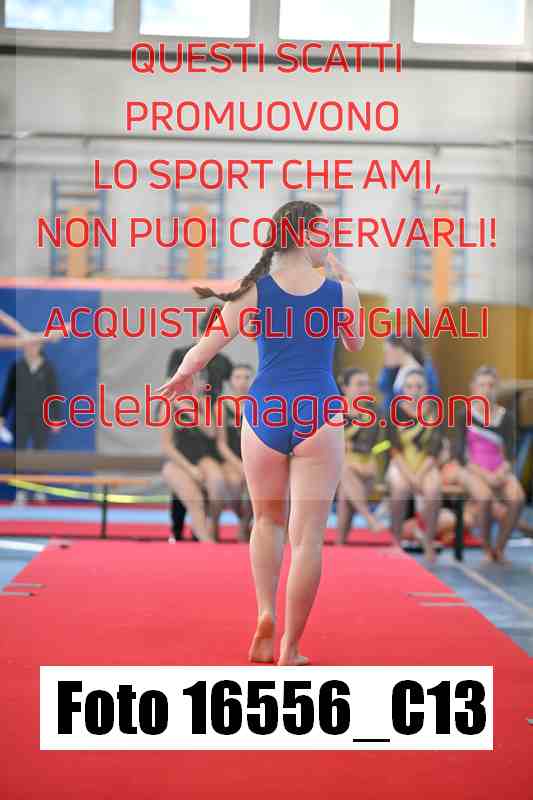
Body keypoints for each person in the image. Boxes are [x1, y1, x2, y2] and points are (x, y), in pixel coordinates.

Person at [158, 200, 364, 666]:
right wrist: (347, 283)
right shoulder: (340, 293)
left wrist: (182, 377)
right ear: (307, 235)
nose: (330, 241)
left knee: (267, 521)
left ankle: (266, 613)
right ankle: (291, 646)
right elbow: (355, 342)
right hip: (318, 411)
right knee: (307, 539)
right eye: (325, 232)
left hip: (265, 410)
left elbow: (204, 348)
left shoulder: (253, 291)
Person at [165, 307, 233, 540]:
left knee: (213, 483)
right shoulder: (181, 354)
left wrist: (205, 408)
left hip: (207, 423)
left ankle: (206, 530)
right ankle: (178, 529)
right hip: (183, 420)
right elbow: (170, 384)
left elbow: (230, 387)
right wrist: (182, 405)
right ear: (202, 331)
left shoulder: (223, 361)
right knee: (186, 489)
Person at [450, 366, 525, 564]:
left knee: (517, 498)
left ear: (497, 388)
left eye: (491, 385)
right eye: (482, 385)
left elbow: (510, 454)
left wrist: (502, 471)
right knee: (484, 498)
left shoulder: (506, 417)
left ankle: (499, 547)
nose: (486, 390)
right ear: (473, 388)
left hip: (499, 469)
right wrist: (484, 475)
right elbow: (460, 455)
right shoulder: (464, 415)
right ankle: (486, 548)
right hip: (472, 469)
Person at [160, 371, 232, 543]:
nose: (194, 385)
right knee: (195, 499)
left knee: (218, 484)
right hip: (178, 461)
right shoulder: (168, 405)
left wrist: (186, 407)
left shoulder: (204, 403)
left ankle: (211, 527)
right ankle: (206, 542)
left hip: (203, 458)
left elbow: (211, 431)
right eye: (190, 381)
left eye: (199, 381)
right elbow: (167, 446)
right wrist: (190, 469)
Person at [386, 368, 443, 563]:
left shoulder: (435, 411)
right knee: (400, 489)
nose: (414, 391)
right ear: (403, 389)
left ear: (427, 389)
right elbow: (393, 449)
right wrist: (411, 476)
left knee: (433, 490)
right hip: (401, 463)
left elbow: (434, 449)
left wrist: (420, 474)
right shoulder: (395, 411)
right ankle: (396, 540)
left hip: (426, 464)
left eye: (419, 386)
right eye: (410, 386)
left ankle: (428, 539)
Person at [336, 368, 383, 542]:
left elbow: (369, 445)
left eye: (367, 384)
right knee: (344, 470)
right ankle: (368, 517)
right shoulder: (333, 409)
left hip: (364, 465)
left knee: (345, 491)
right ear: (345, 387)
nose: (365, 389)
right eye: (360, 384)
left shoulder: (373, 412)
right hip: (334, 467)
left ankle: (340, 543)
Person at [215, 363, 254, 542]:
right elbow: (221, 444)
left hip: (253, 459)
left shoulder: (260, 405)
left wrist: (250, 464)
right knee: (234, 482)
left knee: (256, 486)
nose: (242, 382)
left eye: (247, 377)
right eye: (238, 377)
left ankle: (244, 525)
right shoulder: (222, 406)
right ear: (230, 381)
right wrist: (238, 464)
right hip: (231, 459)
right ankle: (243, 520)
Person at [378, 334, 440, 412]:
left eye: (387, 352)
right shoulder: (399, 370)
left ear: (399, 350)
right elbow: (383, 387)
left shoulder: (416, 373)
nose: (385, 357)